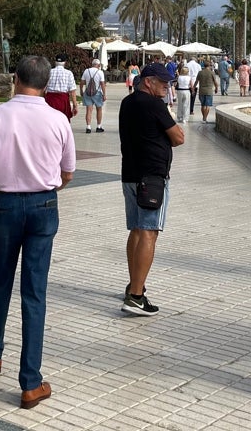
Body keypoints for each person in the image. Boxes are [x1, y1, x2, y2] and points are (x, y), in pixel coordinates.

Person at [0, 55, 76, 410]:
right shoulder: (59, 119)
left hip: (2, 208)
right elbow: (68, 173)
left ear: (15, 78)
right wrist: (47, 188)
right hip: (43, 207)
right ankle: (30, 383)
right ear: (47, 85)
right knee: (35, 292)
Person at [118, 62, 184, 316]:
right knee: (149, 232)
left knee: (136, 230)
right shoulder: (155, 105)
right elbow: (178, 137)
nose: (167, 87)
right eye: (163, 83)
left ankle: (135, 284)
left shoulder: (127, 102)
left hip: (130, 175)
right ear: (148, 81)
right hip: (152, 178)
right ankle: (136, 296)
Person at [44, 54, 78, 121]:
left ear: (55, 62)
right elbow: (72, 91)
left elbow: (43, 88)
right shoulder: (69, 73)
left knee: (50, 120)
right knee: (63, 121)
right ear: (65, 62)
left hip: (50, 100)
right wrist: (75, 105)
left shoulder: (49, 72)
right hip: (63, 100)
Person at [79, 58, 106, 133]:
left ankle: (88, 127)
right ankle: (98, 126)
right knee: (99, 109)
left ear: (92, 64)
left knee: (89, 110)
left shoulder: (86, 71)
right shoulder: (100, 72)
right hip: (97, 93)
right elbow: (102, 84)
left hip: (87, 93)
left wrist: (81, 90)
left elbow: (81, 82)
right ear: (99, 65)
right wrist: (104, 94)